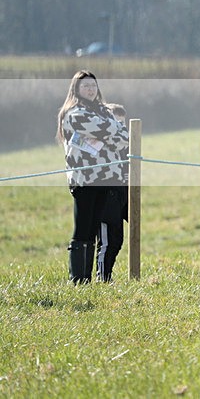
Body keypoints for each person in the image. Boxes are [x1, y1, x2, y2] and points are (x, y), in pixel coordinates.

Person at [56, 71, 129, 283]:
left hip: (107, 178)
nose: (90, 89)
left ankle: (89, 278)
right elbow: (110, 131)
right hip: (85, 179)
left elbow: (125, 138)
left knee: (95, 228)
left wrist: (109, 132)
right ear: (76, 89)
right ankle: (79, 279)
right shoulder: (74, 114)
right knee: (84, 227)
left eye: (93, 85)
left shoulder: (104, 110)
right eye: (85, 86)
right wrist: (112, 131)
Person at [97, 103, 129, 282]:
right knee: (106, 242)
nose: (120, 127)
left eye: (122, 124)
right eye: (116, 123)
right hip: (106, 197)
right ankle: (102, 277)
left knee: (117, 240)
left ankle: (107, 275)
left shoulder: (127, 147)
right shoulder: (103, 147)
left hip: (121, 195)